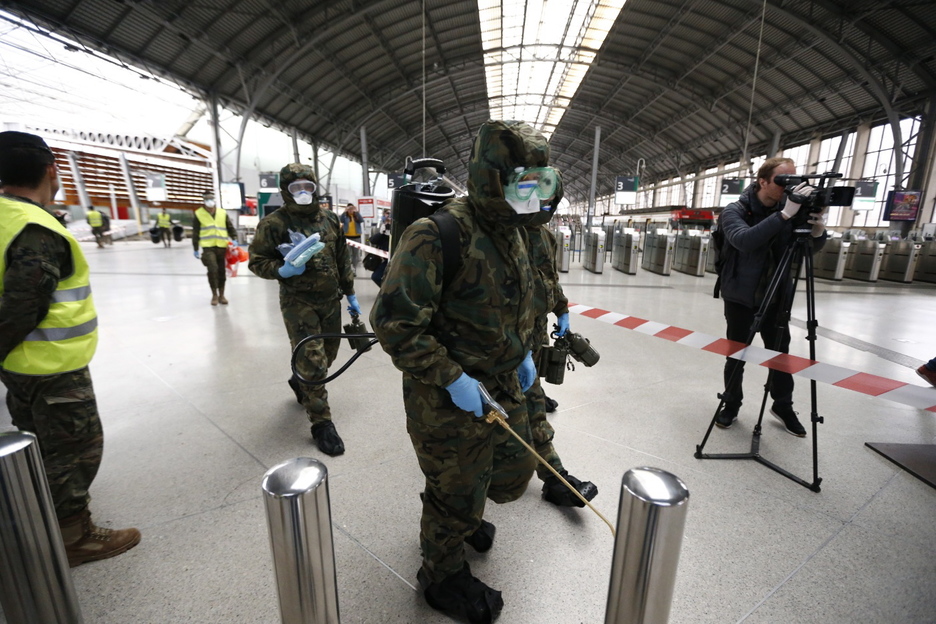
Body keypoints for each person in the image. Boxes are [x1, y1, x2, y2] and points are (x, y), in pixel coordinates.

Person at [371, 120, 560, 623]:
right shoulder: (436, 234)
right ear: (495, 177)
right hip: (446, 395)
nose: (535, 194)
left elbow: (517, 303)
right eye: (525, 181)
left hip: (501, 382)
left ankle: (459, 507)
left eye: (541, 182)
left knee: (511, 477)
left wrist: (521, 351)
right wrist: (452, 378)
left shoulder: (516, 233)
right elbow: (394, 324)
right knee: (456, 491)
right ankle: (441, 574)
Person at [0, 130, 141, 566]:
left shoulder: (6, 216)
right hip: (50, 366)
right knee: (74, 450)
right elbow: (23, 307)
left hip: (21, 365)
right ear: (49, 170)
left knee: (37, 441)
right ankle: (74, 537)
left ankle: (41, 513)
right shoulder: (35, 228)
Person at [248, 164, 358, 456]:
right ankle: (322, 423)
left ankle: (300, 381)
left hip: (330, 301)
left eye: (307, 186)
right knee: (314, 362)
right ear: (285, 190)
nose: (303, 193)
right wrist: (280, 270)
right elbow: (256, 261)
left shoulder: (331, 219)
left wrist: (350, 293)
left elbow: (341, 258)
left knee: (329, 354)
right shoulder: (273, 224)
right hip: (298, 303)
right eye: (296, 187)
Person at [714, 157, 828, 436]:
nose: (788, 187)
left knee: (780, 356)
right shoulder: (734, 210)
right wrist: (785, 216)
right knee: (737, 354)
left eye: (793, 179)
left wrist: (817, 230)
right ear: (762, 181)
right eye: (782, 180)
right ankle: (731, 404)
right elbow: (743, 241)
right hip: (740, 297)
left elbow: (804, 251)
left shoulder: (789, 210)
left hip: (777, 296)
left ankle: (783, 405)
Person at [523, 222, 598, 508]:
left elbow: (549, 278)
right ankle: (555, 477)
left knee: (532, 392)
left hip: (535, 331)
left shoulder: (544, 235)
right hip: (505, 337)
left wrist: (562, 308)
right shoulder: (500, 232)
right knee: (530, 405)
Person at [192, 190, 237, 306]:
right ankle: (214, 295)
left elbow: (230, 227)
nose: (209, 202)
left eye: (211, 199)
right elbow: (195, 232)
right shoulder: (198, 214)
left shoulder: (222, 212)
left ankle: (222, 295)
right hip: (208, 247)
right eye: (207, 199)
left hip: (222, 246)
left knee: (221, 271)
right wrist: (195, 248)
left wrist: (234, 238)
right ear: (204, 201)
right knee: (212, 269)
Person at [340, 202, 364, 271]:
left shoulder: (356, 216)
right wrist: (345, 211)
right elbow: (341, 220)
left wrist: (356, 212)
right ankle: (348, 268)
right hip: (347, 237)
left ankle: (354, 268)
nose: (350, 210)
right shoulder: (345, 216)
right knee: (348, 254)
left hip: (356, 237)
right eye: (349, 209)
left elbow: (361, 220)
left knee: (355, 254)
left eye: (351, 208)